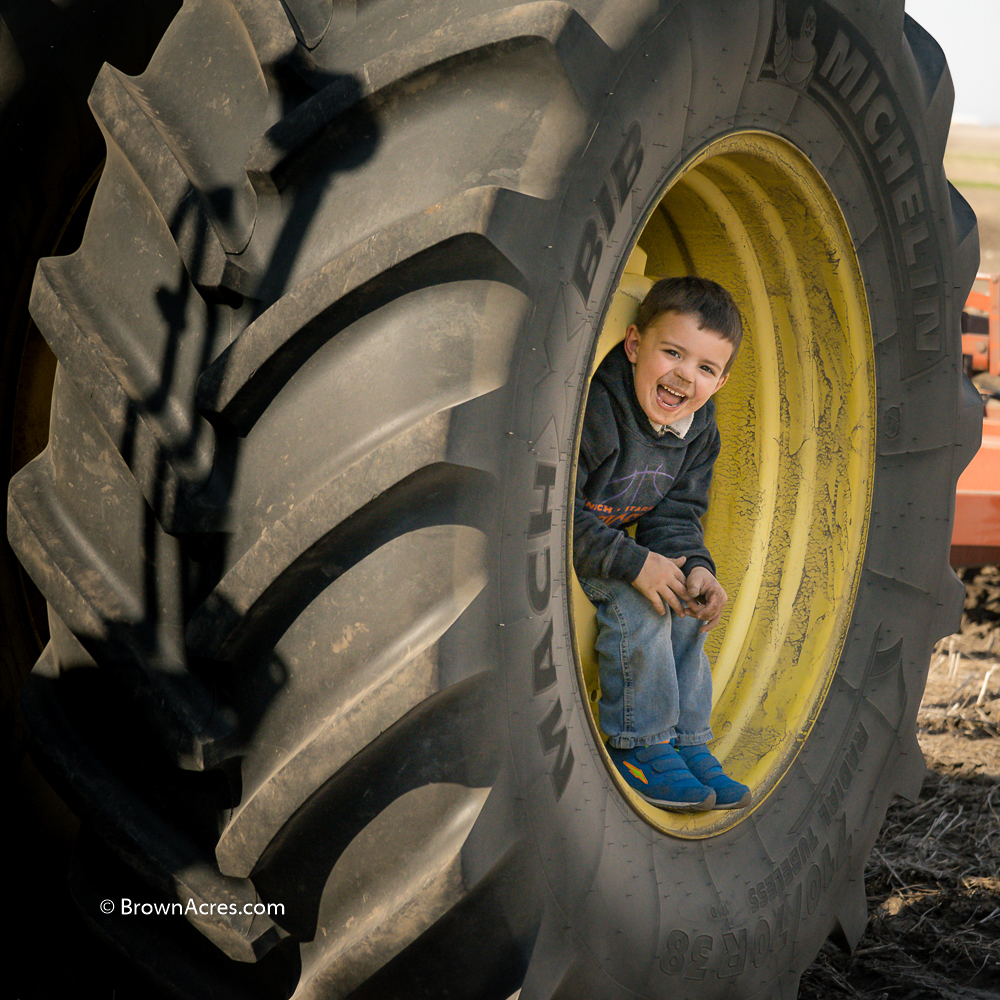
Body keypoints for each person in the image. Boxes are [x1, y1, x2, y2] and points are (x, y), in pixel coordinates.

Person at [574, 275, 750, 812]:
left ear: (719, 383)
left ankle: (687, 743)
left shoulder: (698, 430)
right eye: (672, 352)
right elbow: (551, 514)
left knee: (685, 602)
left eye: (704, 368)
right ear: (633, 345)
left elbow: (676, 515)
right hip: (567, 544)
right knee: (640, 599)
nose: (683, 376)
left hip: (610, 543)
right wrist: (634, 565)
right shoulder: (599, 409)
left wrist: (695, 565)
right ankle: (640, 746)